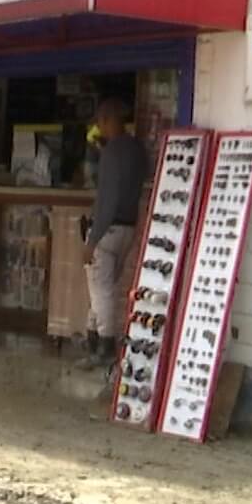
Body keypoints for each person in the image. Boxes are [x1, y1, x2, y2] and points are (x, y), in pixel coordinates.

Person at [79, 97, 149, 370]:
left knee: (101, 290)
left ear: (107, 121)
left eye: (100, 122)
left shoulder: (111, 153)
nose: (99, 126)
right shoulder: (136, 149)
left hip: (107, 230)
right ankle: (93, 343)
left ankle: (104, 347)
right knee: (103, 287)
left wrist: (92, 239)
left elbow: (107, 199)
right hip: (128, 228)